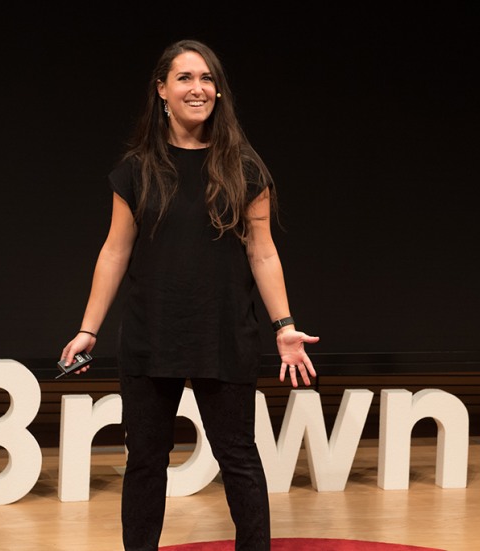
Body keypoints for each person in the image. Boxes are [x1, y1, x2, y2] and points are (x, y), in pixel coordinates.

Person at [60, 38, 319, 551]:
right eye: (184, 78)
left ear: (218, 92)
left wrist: (284, 327)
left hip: (223, 333)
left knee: (239, 460)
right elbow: (114, 252)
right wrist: (88, 329)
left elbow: (262, 254)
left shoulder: (246, 170)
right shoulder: (136, 171)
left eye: (206, 79)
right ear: (161, 90)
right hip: (151, 335)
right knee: (146, 464)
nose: (197, 88)